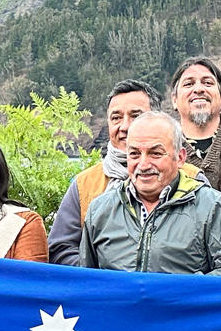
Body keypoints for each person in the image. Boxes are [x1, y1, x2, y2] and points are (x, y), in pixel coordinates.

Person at [81, 112, 221, 276]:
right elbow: (87, 283)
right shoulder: (101, 209)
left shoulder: (213, 207)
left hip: (185, 306)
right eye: (134, 154)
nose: (143, 164)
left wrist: (177, 290)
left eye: (155, 153)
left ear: (180, 158)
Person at [49, 80, 154, 265]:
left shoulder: (189, 179)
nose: (125, 126)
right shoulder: (84, 185)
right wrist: (101, 274)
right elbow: (60, 249)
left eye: (135, 116)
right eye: (116, 118)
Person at [169, 57, 221, 190]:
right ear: (174, 100)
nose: (199, 89)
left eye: (207, 83)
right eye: (188, 84)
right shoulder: (163, 144)